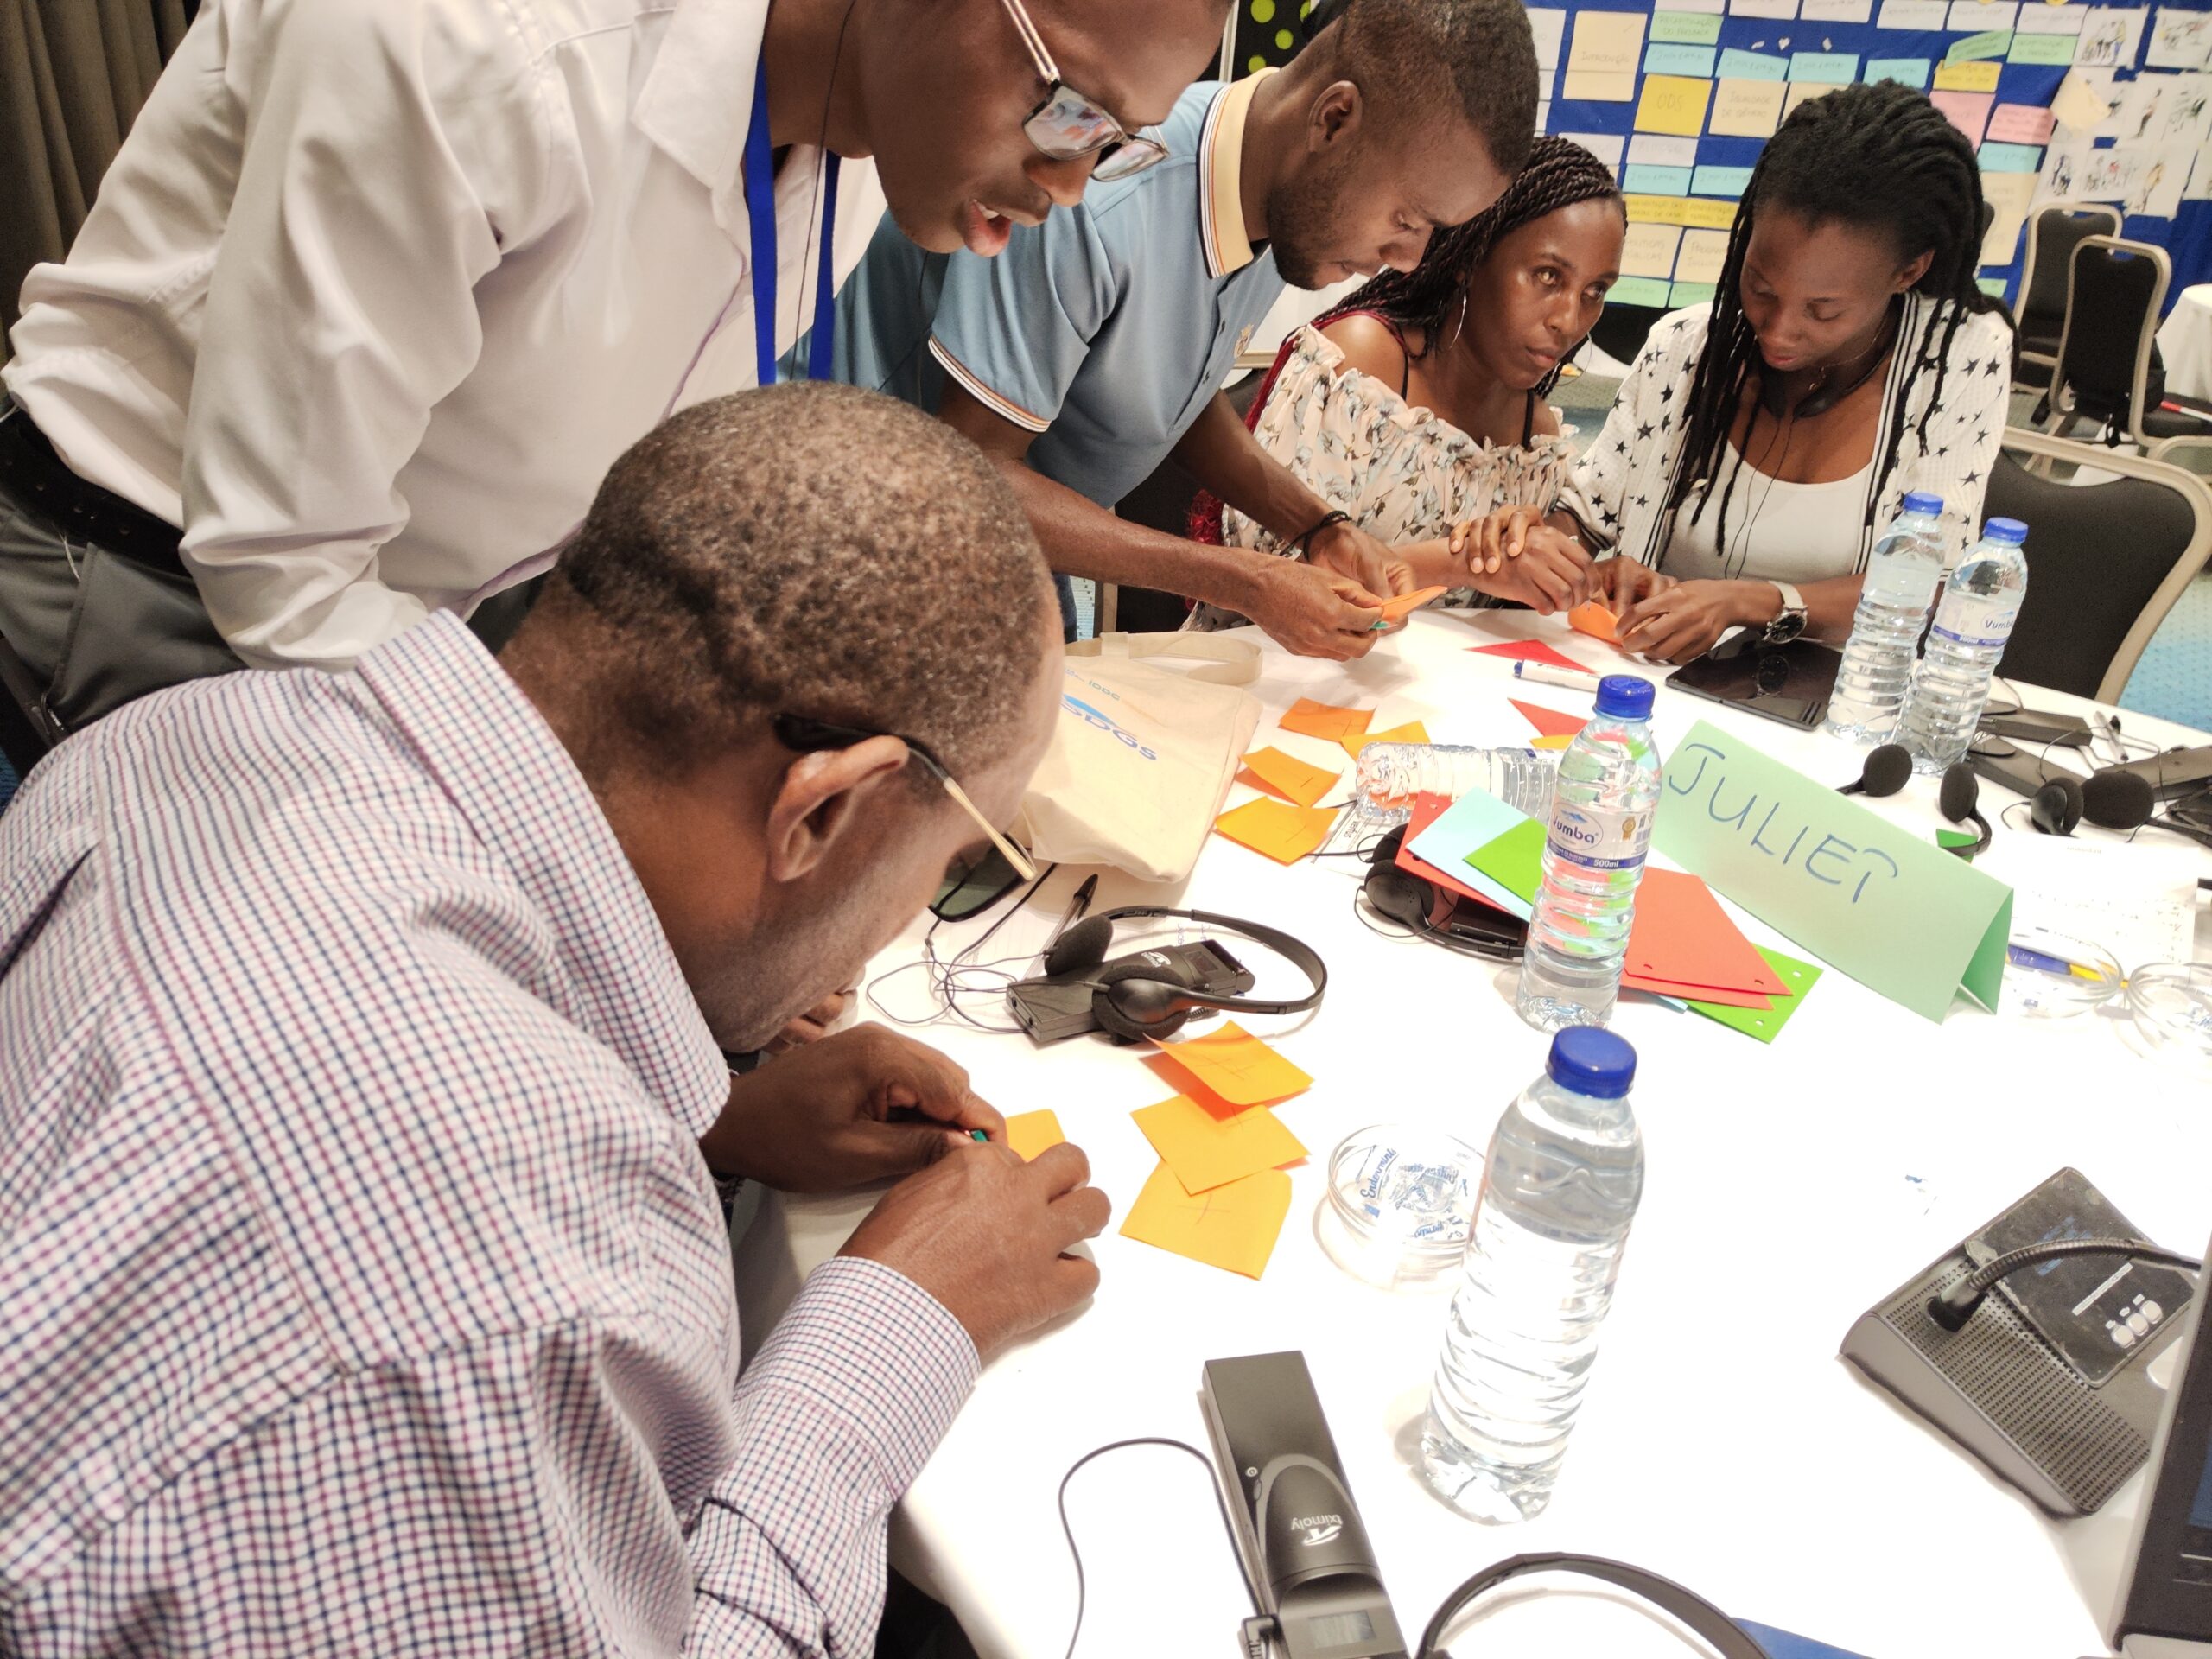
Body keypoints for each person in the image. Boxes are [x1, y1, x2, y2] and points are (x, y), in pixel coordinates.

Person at [0, 384, 1104, 1656]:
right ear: (822, 813)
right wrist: (900, 1324)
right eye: (964, 848)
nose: (924, 903)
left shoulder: (189, 737)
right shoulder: (500, 1308)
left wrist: (719, 1117)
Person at [0, 0, 1230, 741]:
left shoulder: (867, 141)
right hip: (146, 578)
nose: (1071, 187)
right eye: (1072, 112)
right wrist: (593, 795)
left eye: (1116, 147)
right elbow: (279, 566)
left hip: (421, 605)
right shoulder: (486, 42)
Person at [822, 0, 1538, 660]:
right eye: (1407, 219)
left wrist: (1320, 527)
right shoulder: (1094, 192)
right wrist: (1247, 582)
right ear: (1332, 121)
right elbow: (974, 476)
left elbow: (1162, 395)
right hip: (853, 545)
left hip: (987, 571)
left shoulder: (1282, 204)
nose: (1407, 259)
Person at [1464, 83, 2013, 664]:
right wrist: (1555, 549)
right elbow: (1591, 514)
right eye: (1760, 287)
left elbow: (1934, 582)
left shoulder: (1956, 359)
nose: (1777, 330)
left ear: (1908, 271)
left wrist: (1754, 602)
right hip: (1649, 684)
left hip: (1843, 707)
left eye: (1823, 311)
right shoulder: (1686, 347)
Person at [1190, 136, 1624, 625]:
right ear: (1469, 257)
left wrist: (1573, 578)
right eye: (1547, 276)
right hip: (1263, 674)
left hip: (1412, 694)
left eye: (1595, 290)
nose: (1569, 319)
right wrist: (1467, 563)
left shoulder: (1535, 440)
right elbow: (1269, 583)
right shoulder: (1364, 365)